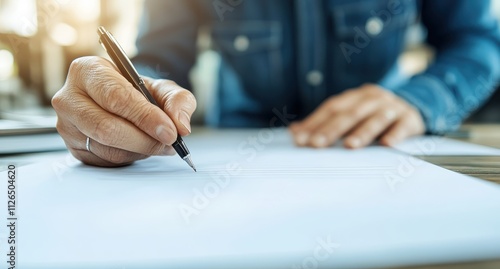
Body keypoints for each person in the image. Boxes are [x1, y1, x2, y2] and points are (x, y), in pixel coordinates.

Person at [52, 0, 500, 167]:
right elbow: (158, 58)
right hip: (233, 154)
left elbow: (478, 39)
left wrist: (422, 100)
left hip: (382, 148)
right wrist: (121, 98)